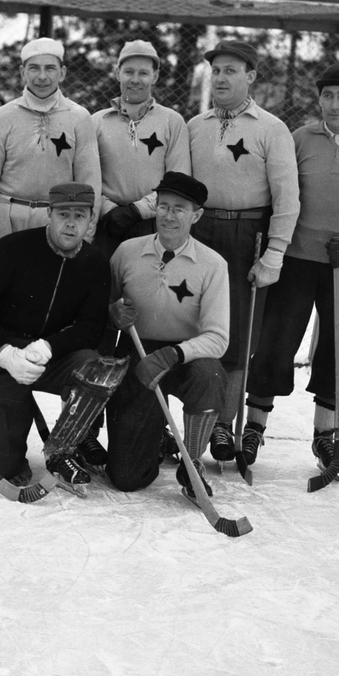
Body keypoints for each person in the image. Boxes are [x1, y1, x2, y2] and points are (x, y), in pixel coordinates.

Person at [243, 64, 339, 477]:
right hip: (297, 260)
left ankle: (325, 435)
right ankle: (254, 428)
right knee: (276, 342)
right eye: (327, 95)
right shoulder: (300, 140)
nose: (334, 104)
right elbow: (281, 191)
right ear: (320, 99)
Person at [0, 182, 121, 493]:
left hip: (47, 357)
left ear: (90, 219)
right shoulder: (12, 248)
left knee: (94, 367)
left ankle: (62, 450)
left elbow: (90, 326)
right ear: (49, 214)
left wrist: (49, 346)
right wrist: (5, 351)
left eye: (79, 215)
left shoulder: (95, 263)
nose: (71, 222)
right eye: (63, 214)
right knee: (1, 469)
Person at [187, 39, 299, 463]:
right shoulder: (195, 126)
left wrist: (273, 256)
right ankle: (187, 426)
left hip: (246, 235)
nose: (221, 78)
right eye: (216, 70)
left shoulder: (270, 129)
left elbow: (287, 199)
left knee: (234, 337)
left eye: (231, 70)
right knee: (192, 327)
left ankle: (221, 425)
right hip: (199, 233)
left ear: (251, 76)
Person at [104, 172, 229, 500]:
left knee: (210, 373)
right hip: (139, 353)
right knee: (127, 477)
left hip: (185, 356)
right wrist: (113, 313)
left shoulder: (212, 264)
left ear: (196, 215)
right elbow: (105, 305)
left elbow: (218, 338)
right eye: (163, 207)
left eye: (179, 209)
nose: (169, 216)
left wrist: (174, 354)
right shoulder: (127, 253)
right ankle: (153, 436)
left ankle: (192, 460)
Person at [0, 38, 101, 268]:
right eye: (34, 68)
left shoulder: (80, 118)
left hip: (57, 221)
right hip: (7, 219)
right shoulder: (1, 117)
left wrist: (85, 233)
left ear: (62, 72)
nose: (42, 77)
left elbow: (90, 183)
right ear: (22, 72)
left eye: (50, 68)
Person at [92, 40, 190, 257]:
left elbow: (178, 180)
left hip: (152, 223)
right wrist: (108, 210)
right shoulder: (97, 122)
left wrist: (137, 210)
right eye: (128, 72)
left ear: (154, 77)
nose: (135, 80)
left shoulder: (171, 121)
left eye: (143, 73)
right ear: (117, 73)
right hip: (107, 223)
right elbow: (86, 176)